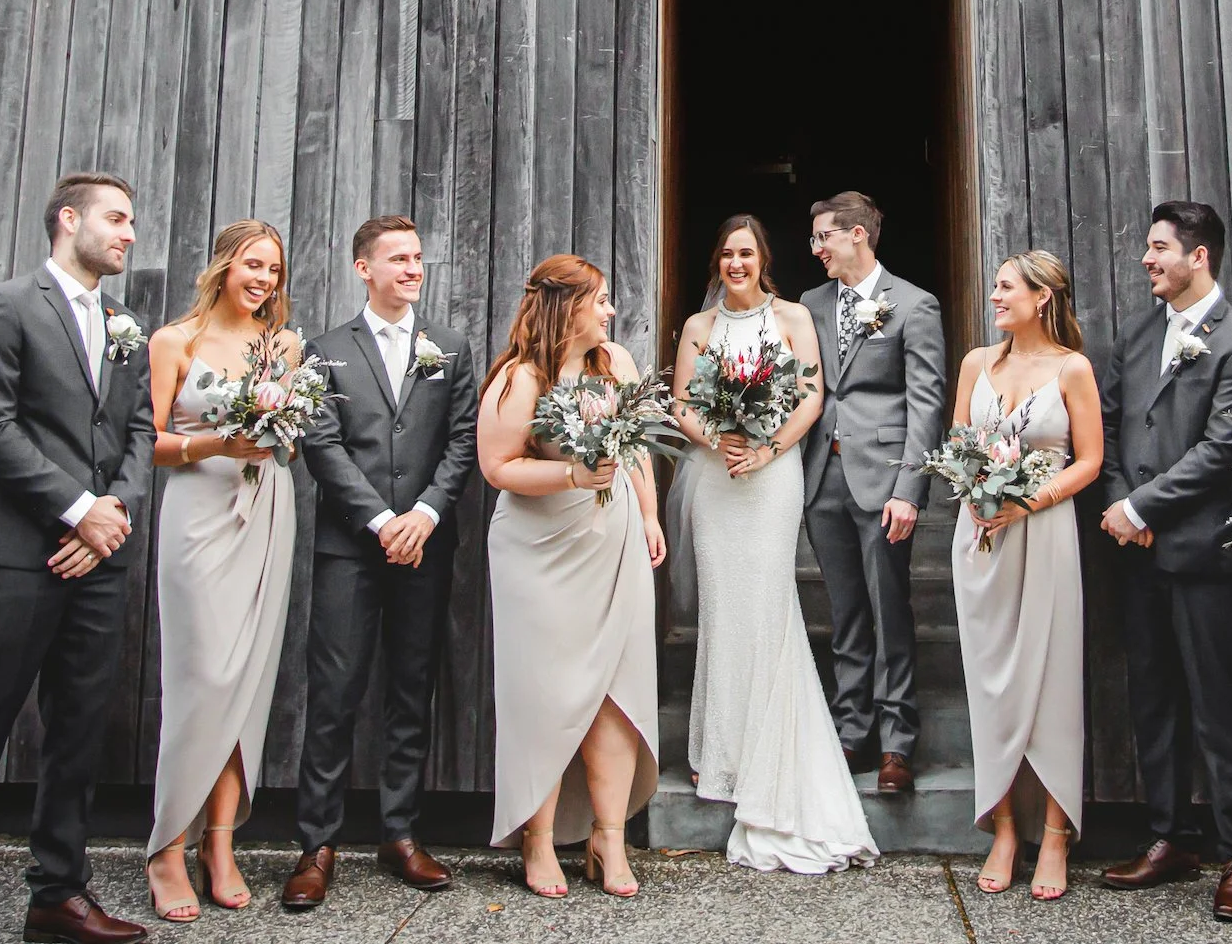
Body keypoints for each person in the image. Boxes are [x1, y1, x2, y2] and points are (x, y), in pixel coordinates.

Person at [0, 173, 153, 944]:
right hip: (11, 559)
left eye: (132, 221)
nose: (129, 233)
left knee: (78, 734)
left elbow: (140, 431)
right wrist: (78, 510)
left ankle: (57, 896)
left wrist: (113, 514)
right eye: (116, 218)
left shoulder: (123, 323)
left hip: (98, 562)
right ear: (67, 218)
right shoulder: (3, 306)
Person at [280, 217, 481, 910]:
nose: (412, 267)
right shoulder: (325, 350)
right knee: (333, 693)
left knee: (409, 687)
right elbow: (322, 444)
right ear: (362, 267)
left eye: (418, 256)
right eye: (397, 257)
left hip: (424, 544)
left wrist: (423, 514)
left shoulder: (449, 348)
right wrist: (378, 518)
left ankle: (399, 832)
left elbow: (462, 440)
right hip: (349, 546)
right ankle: (316, 843)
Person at [672, 215, 878, 873]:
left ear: (762, 259)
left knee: (765, 600)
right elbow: (681, 402)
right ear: (718, 260)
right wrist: (716, 438)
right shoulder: (698, 328)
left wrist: (765, 445)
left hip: (771, 476)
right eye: (727, 252)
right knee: (723, 608)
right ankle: (722, 754)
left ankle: (769, 751)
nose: (736, 262)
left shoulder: (790, 317)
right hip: (716, 476)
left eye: (746, 252)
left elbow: (811, 395)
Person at [1097, 201, 1232, 920]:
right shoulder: (1138, 333)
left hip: (1204, 551)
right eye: (1148, 245)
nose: (1147, 258)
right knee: (1153, 697)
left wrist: (1141, 508)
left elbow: (1221, 447)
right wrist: (1118, 504)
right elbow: (1108, 426)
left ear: (1198, 256)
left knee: (1221, 705)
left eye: (1159, 247)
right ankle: (1170, 837)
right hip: (1134, 553)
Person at [478, 255, 664, 898]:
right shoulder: (519, 377)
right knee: (546, 695)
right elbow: (498, 467)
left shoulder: (617, 366)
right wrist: (570, 475)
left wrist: (647, 513)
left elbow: (635, 447)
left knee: (614, 690)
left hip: (610, 542)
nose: (610, 311)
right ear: (567, 307)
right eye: (601, 299)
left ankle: (608, 837)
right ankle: (538, 838)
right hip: (539, 552)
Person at [143, 220, 301, 920]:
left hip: (267, 508)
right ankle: (165, 846)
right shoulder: (173, 340)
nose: (263, 278)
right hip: (199, 513)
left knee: (248, 679)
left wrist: (276, 434)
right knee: (201, 675)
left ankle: (219, 841)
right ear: (223, 265)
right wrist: (217, 439)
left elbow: (290, 431)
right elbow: (150, 442)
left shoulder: (285, 345)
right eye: (252, 264)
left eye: (273, 268)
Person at [948, 252, 1102, 902]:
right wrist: (976, 496)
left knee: (1051, 678)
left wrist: (1025, 502)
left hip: (1044, 532)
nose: (993, 295)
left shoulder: (1072, 368)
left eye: (1005, 286)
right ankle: (1003, 828)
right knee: (990, 683)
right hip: (981, 535)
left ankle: (1056, 831)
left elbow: (1090, 460)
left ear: (1042, 296)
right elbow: (957, 443)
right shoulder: (976, 363)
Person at [799, 191, 947, 793]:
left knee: (889, 607)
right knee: (845, 611)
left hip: (883, 477)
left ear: (856, 235)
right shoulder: (810, 305)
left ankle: (897, 741)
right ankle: (851, 729)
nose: (816, 249)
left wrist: (910, 488)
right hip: (820, 476)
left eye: (823, 237)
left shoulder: (914, 304)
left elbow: (927, 401)